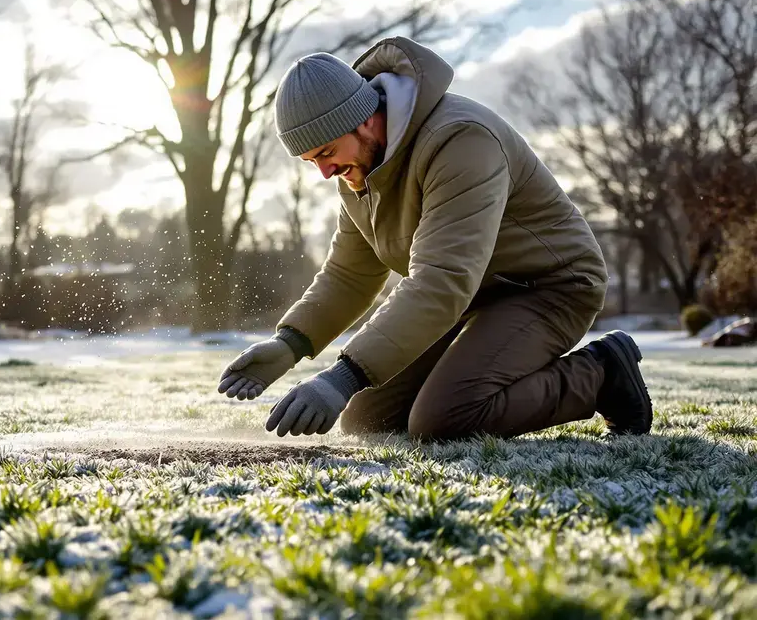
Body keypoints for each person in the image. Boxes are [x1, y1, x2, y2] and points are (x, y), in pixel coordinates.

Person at [217, 36, 651, 440]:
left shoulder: (460, 139)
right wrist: (289, 343)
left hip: (549, 287)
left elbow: (443, 277)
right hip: (473, 297)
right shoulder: (361, 172)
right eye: (311, 160)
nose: (324, 172)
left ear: (365, 120)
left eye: (326, 153)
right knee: (368, 419)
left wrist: (342, 376)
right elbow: (350, 274)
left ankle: (602, 373)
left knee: (445, 418)